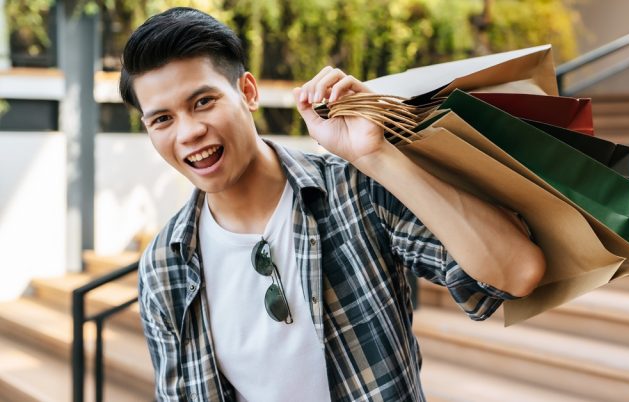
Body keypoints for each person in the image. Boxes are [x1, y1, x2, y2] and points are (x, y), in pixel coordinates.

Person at [121, 7, 545, 402]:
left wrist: (376, 156)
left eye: (203, 102)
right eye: (162, 119)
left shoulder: (353, 190)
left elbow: (517, 273)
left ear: (247, 92)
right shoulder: (164, 266)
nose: (189, 132)